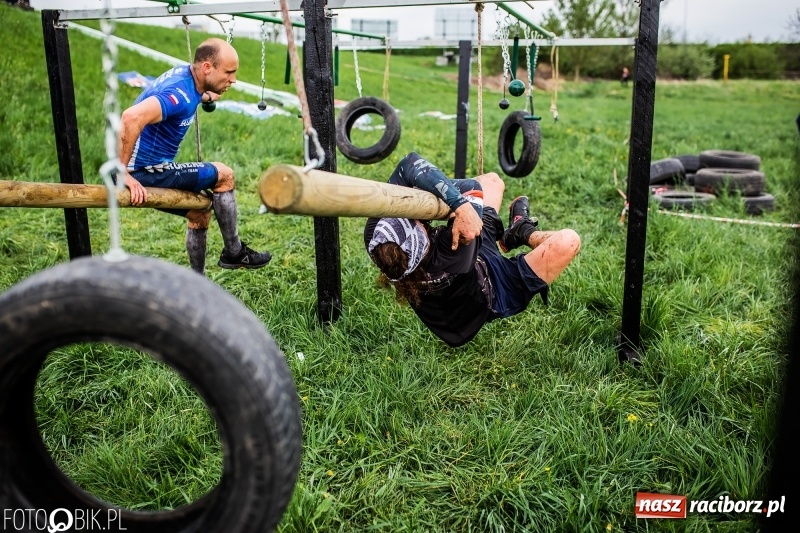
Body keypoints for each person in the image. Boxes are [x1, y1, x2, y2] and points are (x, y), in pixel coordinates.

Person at [364, 152, 581, 347]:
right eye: (417, 222)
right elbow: (470, 188)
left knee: (492, 182)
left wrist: (447, 204)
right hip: (493, 290)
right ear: (424, 242)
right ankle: (522, 231)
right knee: (568, 241)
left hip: (470, 251)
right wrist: (458, 205)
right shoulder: (452, 257)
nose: (420, 220)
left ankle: (511, 233)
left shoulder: (377, 239)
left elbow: (408, 163)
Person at [118, 37, 271, 274]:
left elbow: (189, 95)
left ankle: (197, 282)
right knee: (224, 175)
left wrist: (205, 96)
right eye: (229, 73)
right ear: (207, 68)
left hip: (153, 169)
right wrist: (123, 173)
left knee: (199, 214)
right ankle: (234, 252)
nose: (233, 79)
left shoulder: (190, 80)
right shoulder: (178, 93)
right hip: (145, 173)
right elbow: (130, 117)